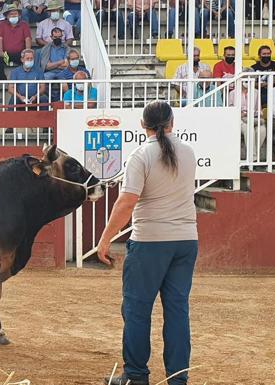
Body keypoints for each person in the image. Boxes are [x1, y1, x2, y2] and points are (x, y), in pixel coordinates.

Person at [97, 100, 198, 385]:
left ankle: (136, 376)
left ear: (143, 125)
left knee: (137, 309)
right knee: (177, 310)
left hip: (151, 241)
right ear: (172, 123)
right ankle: (178, 378)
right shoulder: (188, 152)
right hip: (186, 240)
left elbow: (126, 202)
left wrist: (104, 240)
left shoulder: (141, 156)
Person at [0, 4, 32, 80]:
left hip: (20, 53)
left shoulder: (24, 25)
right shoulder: (2, 25)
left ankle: (23, 79)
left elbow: (28, 39)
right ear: (7, 16)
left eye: (15, 13)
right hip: (6, 54)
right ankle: (3, 81)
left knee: (28, 59)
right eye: (11, 14)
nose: (13, 15)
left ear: (19, 15)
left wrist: (27, 51)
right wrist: (1, 51)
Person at [39, 27, 69, 101]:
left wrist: (52, 64)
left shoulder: (67, 48)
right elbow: (46, 66)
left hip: (63, 72)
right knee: (43, 82)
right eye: (55, 37)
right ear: (51, 37)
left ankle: (65, 101)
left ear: (62, 36)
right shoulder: (46, 48)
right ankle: (51, 99)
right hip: (49, 73)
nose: (57, 38)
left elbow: (66, 65)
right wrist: (60, 62)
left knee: (65, 85)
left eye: (59, 37)